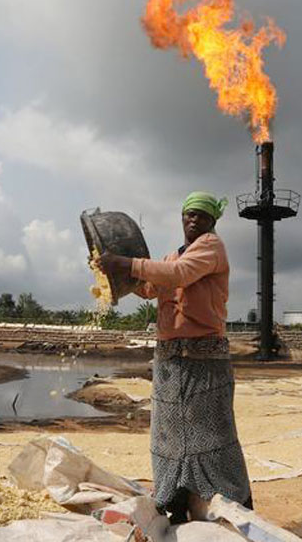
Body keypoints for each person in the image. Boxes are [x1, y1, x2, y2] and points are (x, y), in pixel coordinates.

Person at [99, 191, 252, 524]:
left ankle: (233, 507)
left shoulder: (212, 247)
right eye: (189, 214)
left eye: (201, 215)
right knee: (167, 438)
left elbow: (180, 274)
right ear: (181, 218)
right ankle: (174, 502)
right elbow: (150, 287)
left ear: (212, 221)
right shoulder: (171, 256)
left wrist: (125, 263)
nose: (194, 220)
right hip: (170, 361)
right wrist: (117, 275)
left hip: (203, 363)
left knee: (213, 437)